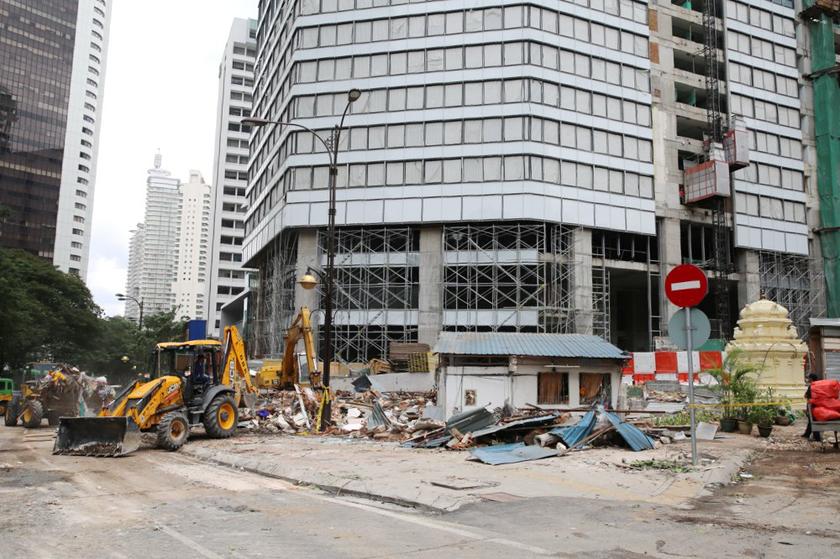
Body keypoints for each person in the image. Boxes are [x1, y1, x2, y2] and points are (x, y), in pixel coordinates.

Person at [803, 372, 821, 441]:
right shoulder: (819, 385)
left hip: (811, 405)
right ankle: (807, 434)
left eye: (809, 378)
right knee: (811, 420)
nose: (808, 379)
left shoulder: (812, 386)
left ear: (811, 378)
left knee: (812, 420)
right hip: (818, 405)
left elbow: (806, 396)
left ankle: (817, 437)